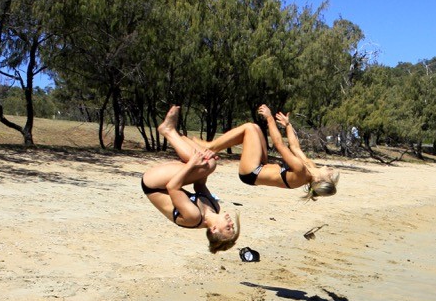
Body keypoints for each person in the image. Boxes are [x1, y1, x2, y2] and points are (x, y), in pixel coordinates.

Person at [141, 106, 240, 253]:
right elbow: (199, 185)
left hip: (153, 183)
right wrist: (207, 159)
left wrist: (193, 164)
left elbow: (172, 187)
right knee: (209, 162)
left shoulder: (193, 217)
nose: (231, 223)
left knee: (207, 165)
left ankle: (169, 131)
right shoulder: (214, 207)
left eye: (228, 228)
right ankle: (178, 134)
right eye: (232, 227)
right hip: (167, 180)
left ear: (213, 229)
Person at [190, 105, 339, 200]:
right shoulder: (310, 166)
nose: (331, 171)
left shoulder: (301, 172)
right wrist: (288, 125)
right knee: (254, 128)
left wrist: (269, 118)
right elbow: (295, 147)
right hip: (261, 166)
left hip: (251, 173)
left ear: (319, 180)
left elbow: (279, 145)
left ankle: (210, 147)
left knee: (249, 128)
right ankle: (212, 146)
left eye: (330, 176)